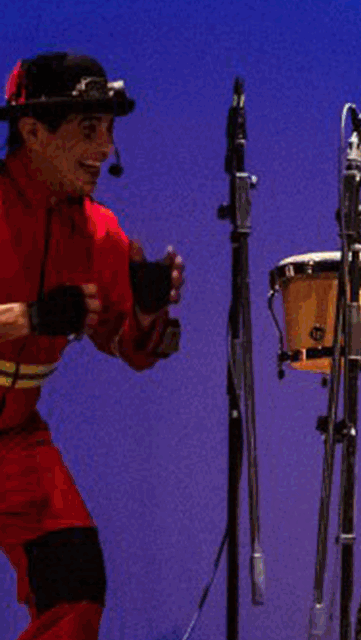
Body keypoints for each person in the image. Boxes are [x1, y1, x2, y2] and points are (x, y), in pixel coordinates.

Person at [0, 52, 183, 640]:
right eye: (88, 129)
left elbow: (129, 347)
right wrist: (29, 317)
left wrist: (151, 306)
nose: (106, 147)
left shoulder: (100, 231)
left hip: (14, 444)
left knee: (75, 588)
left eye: (108, 129)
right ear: (33, 131)